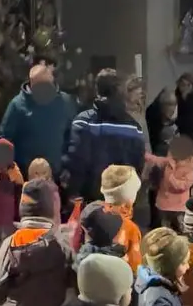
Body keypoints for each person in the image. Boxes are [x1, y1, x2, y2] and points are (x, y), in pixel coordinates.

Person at [62, 69, 150, 205]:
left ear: (97, 90)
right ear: (121, 92)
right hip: (122, 201)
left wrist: (73, 193)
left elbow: (77, 162)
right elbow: (138, 165)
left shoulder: (83, 121)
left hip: (90, 202)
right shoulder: (134, 128)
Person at [0, 63, 75, 177]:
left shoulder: (65, 102)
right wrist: (11, 170)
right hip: (26, 176)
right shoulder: (17, 105)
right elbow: (4, 140)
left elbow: (73, 135)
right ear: (32, 85)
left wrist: (66, 164)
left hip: (56, 175)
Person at [147, 135, 193, 230]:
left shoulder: (189, 167)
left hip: (178, 205)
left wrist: (171, 179)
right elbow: (157, 160)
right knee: (165, 226)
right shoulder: (169, 161)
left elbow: (185, 185)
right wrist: (146, 155)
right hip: (164, 202)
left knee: (177, 226)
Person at [146, 89, 182, 157]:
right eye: (170, 104)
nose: (173, 108)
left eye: (174, 104)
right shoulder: (152, 115)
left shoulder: (173, 124)